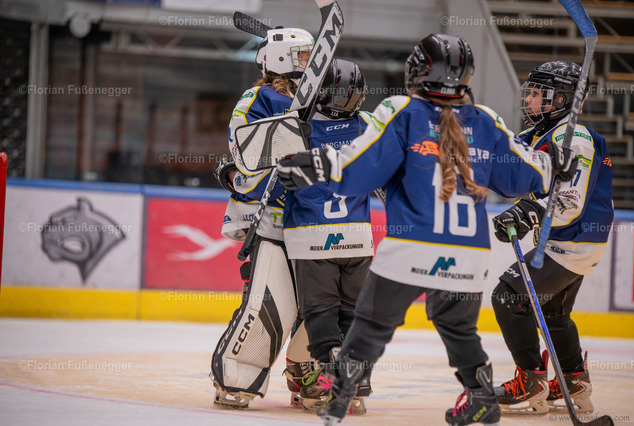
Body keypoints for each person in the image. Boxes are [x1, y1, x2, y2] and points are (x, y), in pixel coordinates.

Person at [277, 34, 577, 425]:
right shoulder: (486, 120)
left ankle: (340, 399)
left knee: (371, 324)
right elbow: (522, 176)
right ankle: (481, 399)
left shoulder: (402, 111)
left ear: (417, 71)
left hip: (413, 245)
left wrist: (315, 166)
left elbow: (361, 168)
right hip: (469, 254)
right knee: (459, 329)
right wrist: (555, 165)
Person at [491, 61, 613, 415]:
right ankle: (575, 379)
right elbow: (506, 164)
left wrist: (527, 212)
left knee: (508, 296)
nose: (529, 99)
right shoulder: (542, 134)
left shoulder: (574, 138)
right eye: (529, 92)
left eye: (537, 94)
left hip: (572, 242)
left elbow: (570, 201)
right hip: (571, 241)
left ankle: (531, 379)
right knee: (553, 313)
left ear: (561, 99)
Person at [210, 26, 314, 408]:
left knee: (314, 303)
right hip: (268, 216)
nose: (309, 62)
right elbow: (246, 156)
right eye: (302, 55)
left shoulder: (308, 97)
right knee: (268, 299)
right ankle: (236, 376)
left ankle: (305, 373)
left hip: (306, 218)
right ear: (281, 58)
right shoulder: (258, 97)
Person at [282, 58, 373, 412]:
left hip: (312, 237)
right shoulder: (368, 127)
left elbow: (274, 178)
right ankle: (359, 382)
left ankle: (330, 377)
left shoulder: (297, 128)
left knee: (320, 313)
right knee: (352, 314)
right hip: (358, 238)